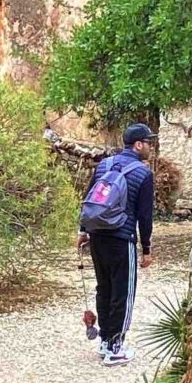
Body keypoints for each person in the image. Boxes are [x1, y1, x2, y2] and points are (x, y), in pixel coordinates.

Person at [78, 122, 155, 366]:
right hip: (122, 239)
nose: (151, 147)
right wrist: (146, 249)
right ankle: (115, 347)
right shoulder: (143, 174)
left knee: (104, 288)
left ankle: (104, 339)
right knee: (123, 292)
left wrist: (83, 230)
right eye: (148, 143)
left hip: (97, 235)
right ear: (138, 145)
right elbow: (145, 216)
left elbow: (89, 197)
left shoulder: (104, 165)